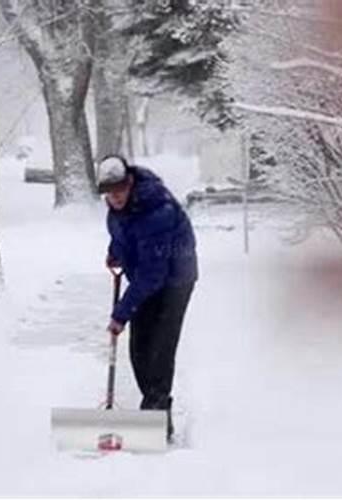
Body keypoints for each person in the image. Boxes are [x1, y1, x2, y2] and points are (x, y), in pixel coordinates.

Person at [97, 154, 198, 442]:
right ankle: (152, 413)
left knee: (159, 351)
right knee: (139, 350)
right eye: (108, 193)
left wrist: (121, 313)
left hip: (175, 281)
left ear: (130, 184)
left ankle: (156, 421)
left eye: (119, 191)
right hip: (147, 278)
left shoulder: (157, 210)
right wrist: (116, 251)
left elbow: (153, 274)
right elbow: (123, 233)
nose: (114, 198)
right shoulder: (117, 209)